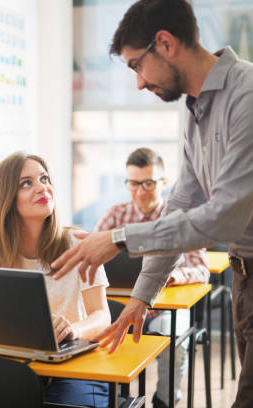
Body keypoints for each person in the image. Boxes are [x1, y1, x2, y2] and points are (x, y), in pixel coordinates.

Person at [51, 1, 253, 407]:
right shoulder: (197, 109)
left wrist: (121, 238)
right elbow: (181, 206)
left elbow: (223, 219)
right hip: (248, 279)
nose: (139, 84)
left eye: (136, 66)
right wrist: (142, 297)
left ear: (164, 43)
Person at [0, 151, 111, 408]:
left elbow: (103, 317)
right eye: (26, 183)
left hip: (75, 366)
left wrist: (74, 331)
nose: (42, 187)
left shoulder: (79, 243)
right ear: (5, 199)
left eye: (44, 178)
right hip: (16, 364)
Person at [95, 147, 209, 408]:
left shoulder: (179, 215)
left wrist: (172, 275)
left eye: (148, 183)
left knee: (174, 340)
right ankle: (114, 400)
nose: (140, 191)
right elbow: (94, 256)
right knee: (94, 329)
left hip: (161, 309)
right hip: (119, 306)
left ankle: (165, 400)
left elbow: (201, 270)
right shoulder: (116, 214)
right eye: (133, 183)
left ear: (164, 182)